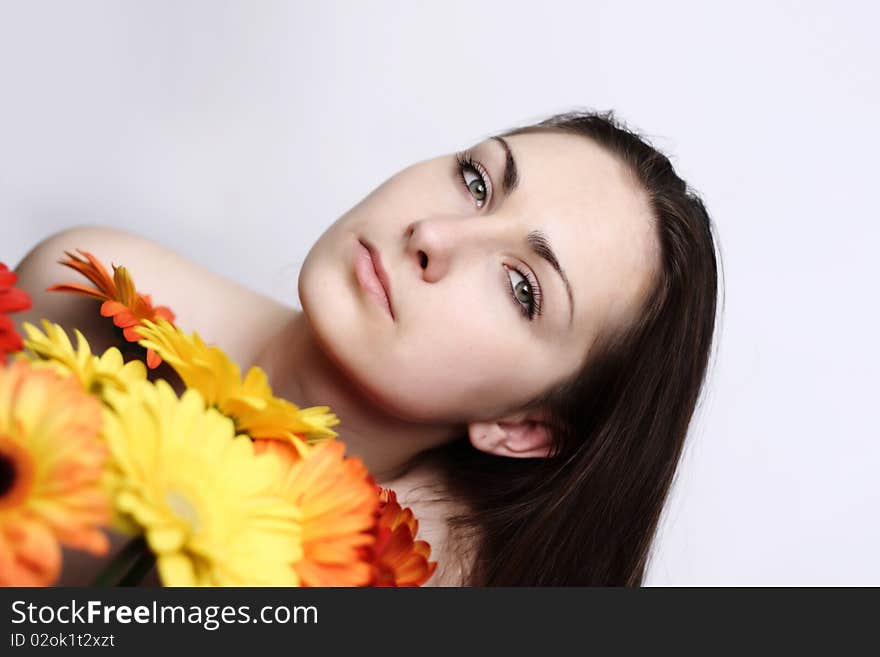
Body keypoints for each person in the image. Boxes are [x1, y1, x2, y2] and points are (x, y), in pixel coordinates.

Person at [13, 109, 721, 586]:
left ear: (521, 427)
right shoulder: (90, 290)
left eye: (522, 287)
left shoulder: (400, 572)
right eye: (476, 181)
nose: (434, 236)